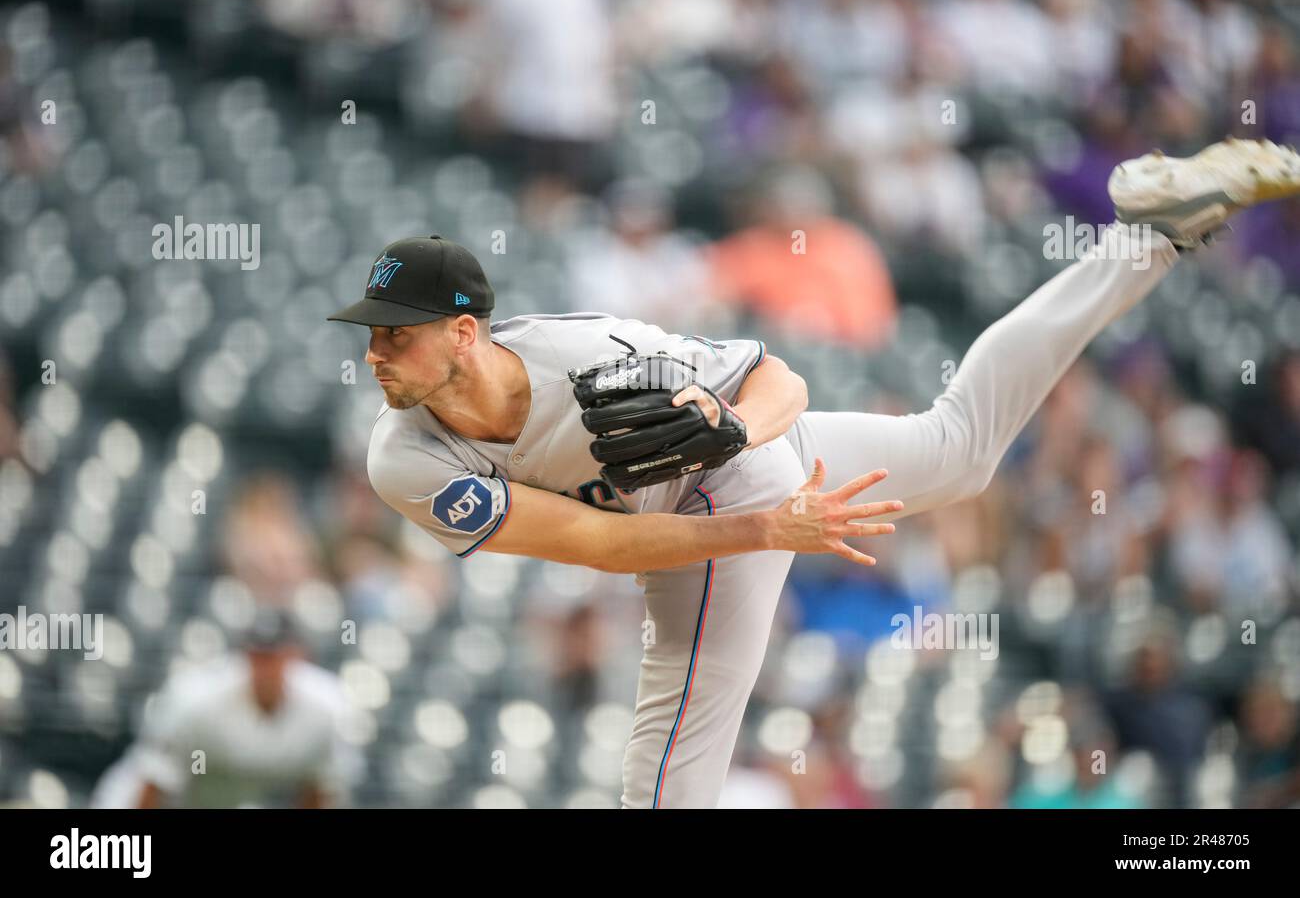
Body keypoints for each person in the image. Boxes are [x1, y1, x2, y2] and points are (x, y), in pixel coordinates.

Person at [328, 139, 1300, 808]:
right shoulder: (404, 455)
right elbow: (597, 543)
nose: (375, 354)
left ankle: (1148, 235)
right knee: (958, 448)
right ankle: (1145, 235)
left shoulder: (591, 349)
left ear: (463, 330)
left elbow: (775, 375)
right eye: (371, 336)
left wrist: (734, 430)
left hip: (735, 474)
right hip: (709, 514)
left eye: (393, 335)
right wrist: (763, 521)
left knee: (669, 776)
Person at [132, 610, 361, 808]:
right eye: (258, 654)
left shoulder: (326, 706)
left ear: (295, 655)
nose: (265, 666)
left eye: (274, 655)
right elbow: (152, 786)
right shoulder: (196, 700)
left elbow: (320, 790)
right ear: (245, 654)